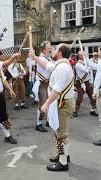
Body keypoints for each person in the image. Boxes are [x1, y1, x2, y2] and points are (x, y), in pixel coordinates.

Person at [30, 43, 75, 171]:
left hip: (62, 103)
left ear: (59, 53)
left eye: (55, 49)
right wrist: (35, 57)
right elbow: (47, 66)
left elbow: (56, 90)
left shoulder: (62, 68)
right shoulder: (60, 65)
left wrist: (45, 104)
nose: (53, 50)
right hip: (61, 103)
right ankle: (64, 155)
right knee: (59, 132)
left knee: (61, 134)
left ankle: (63, 162)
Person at [34, 41, 53, 132]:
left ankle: (48, 121)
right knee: (43, 105)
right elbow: (50, 67)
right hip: (42, 84)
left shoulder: (48, 58)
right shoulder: (42, 59)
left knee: (50, 103)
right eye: (49, 49)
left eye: (50, 48)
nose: (50, 50)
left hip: (48, 84)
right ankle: (38, 123)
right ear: (43, 49)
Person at [74, 51, 98, 117]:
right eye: (83, 55)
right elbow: (86, 70)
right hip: (80, 82)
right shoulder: (78, 64)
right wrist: (90, 65)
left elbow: (90, 72)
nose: (85, 55)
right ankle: (75, 111)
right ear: (79, 56)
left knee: (92, 96)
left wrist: (91, 82)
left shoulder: (87, 62)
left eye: (85, 54)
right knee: (80, 98)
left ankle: (92, 110)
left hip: (88, 81)